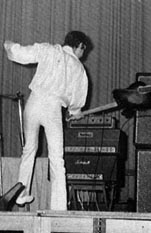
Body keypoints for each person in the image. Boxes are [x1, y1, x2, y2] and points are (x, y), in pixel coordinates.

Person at [3, 31, 90, 210]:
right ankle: (58, 208)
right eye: (83, 49)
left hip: (33, 102)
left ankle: (20, 193)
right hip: (52, 108)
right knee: (57, 159)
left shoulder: (48, 50)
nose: (83, 53)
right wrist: (75, 110)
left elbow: (20, 53)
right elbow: (76, 100)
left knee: (29, 150)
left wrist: (9, 45)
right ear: (79, 45)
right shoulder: (77, 67)